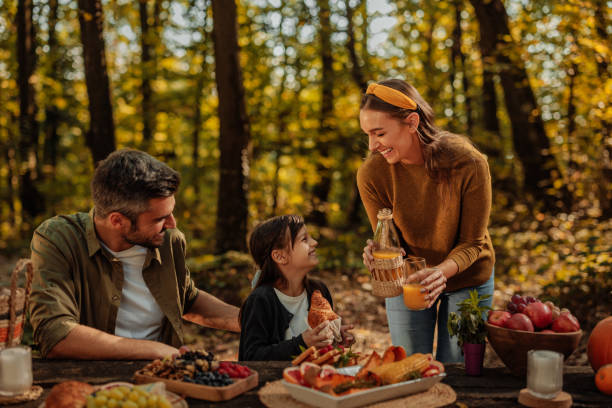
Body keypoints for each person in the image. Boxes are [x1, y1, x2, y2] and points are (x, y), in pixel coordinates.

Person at [28, 148, 240, 360]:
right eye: (159, 219)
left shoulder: (169, 240)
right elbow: (54, 333)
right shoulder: (58, 239)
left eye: (171, 212)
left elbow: (186, 298)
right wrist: (156, 350)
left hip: (159, 377)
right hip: (87, 378)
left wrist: (248, 320)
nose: (172, 224)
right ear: (117, 221)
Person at [357, 79, 495, 363]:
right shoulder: (371, 174)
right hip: (410, 278)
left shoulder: (468, 163)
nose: (372, 145)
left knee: (457, 369)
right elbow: (391, 242)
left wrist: (441, 272)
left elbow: (472, 243)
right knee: (411, 367)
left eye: (379, 133)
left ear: (411, 122)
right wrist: (379, 254)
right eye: (367, 135)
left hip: (467, 276)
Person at [238, 215, 354, 361]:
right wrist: (302, 343)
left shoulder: (318, 290)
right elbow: (251, 357)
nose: (315, 242)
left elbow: (324, 353)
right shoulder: (260, 300)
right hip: (276, 383)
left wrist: (336, 339)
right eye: (304, 239)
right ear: (280, 256)